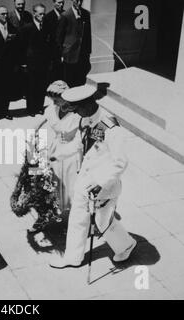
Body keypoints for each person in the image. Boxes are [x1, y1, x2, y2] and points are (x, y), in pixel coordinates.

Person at [49, 85, 137, 269]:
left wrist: (101, 182)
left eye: (78, 108)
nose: (76, 113)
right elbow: (79, 145)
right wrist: (56, 155)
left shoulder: (111, 127)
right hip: (85, 181)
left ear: (88, 104)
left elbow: (120, 162)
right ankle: (73, 258)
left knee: (102, 221)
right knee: (77, 218)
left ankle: (126, 244)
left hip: (103, 185)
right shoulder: (85, 120)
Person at [44, 80, 80, 213]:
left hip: (72, 153)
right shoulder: (51, 109)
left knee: (70, 185)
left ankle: (72, 215)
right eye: (52, 100)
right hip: (55, 148)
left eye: (56, 100)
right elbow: (45, 125)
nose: (54, 103)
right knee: (53, 182)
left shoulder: (78, 113)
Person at [17, 4, 51, 117]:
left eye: (44, 13)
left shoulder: (46, 27)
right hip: (31, 62)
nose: (42, 16)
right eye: (40, 14)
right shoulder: (27, 28)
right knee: (31, 86)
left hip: (43, 62)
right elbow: (21, 47)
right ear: (34, 14)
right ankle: (31, 109)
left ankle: (39, 107)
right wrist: (23, 63)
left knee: (41, 86)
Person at [57, 0, 92, 87]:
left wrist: (88, 51)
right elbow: (59, 37)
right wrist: (61, 54)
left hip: (83, 54)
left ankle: (79, 99)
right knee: (70, 80)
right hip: (69, 54)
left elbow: (88, 34)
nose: (79, 3)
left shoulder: (86, 14)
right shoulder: (65, 15)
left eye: (81, 0)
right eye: (77, 0)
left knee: (81, 79)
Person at [8, 0, 33, 101]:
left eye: (22, 4)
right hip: (14, 49)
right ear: (14, 3)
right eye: (18, 4)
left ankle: (25, 93)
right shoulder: (9, 16)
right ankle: (15, 94)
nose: (21, 6)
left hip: (26, 49)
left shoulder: (28, 15)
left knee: (26, 72)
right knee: (15, 72)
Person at [44, 0, 65, 82]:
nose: (61, 4)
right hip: (53, 50)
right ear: (54, 3)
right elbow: (46, 36)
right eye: (59, 2)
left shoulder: (67, 14)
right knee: (54, 72)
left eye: (63, 2)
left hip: (65, 48)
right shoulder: (48, 17)